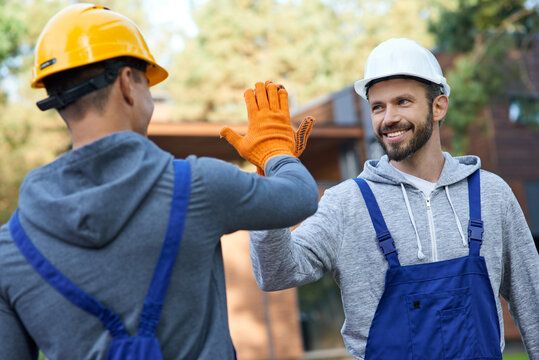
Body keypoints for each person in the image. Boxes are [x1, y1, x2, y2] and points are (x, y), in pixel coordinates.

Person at [0, 4, 319, 359]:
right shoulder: (197, 186)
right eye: (146, 80)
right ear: (126, 84)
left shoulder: (10, 247)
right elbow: (300, 196)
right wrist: (275, 150)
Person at [247, 38, 539, 359]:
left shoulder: (490, 193)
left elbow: (532, 299)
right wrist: (266, 186)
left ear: (438, 106)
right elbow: (275, 273)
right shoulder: (347, 203)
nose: (388, 119)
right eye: (378, 106)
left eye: (403, 102)